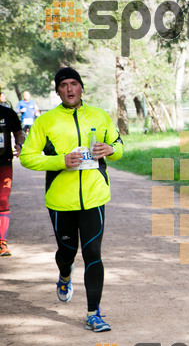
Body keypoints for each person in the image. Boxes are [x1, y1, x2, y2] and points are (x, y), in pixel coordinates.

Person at [20, 67, 124, 332]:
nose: (69, 89)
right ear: (57, 91)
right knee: (67, 253)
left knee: (92, 253)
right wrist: (60, 161)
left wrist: (110, 150)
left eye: (74, 83)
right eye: (64, 85)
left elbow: (119, 145)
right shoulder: (47, 121)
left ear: (81, 88)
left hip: (94, 197)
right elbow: (27, 156)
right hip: (60, 201)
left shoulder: (100, 116)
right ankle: (64, 275)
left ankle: (94, 313)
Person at [0, 104, 24, 256]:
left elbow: (18, 132)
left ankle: (2, 242)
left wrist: (19, 144)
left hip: (4, 163)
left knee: (3, 199)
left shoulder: (7, 113)